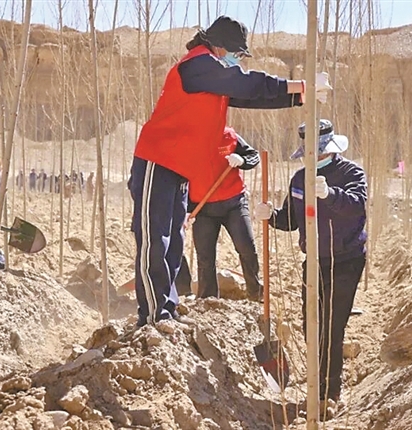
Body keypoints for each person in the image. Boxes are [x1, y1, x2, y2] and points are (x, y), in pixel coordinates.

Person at [128, 15, 331, 328]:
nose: (238, 60)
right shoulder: (197, 64)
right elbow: (247, 83)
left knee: (174, 244)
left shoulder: (215, 78)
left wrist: (301, 96)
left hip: (179, 170)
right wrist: (301, 85)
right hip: (158, 162)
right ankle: (154, 316)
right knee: (156, 241)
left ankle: (167, 309)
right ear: (219, 46)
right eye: (237, 53)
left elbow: (253, 95)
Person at [255, 119, 367, 417]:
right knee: (311, 326)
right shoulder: (299, 179)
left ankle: (329, 393)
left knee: (332, 326)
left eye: (318, 152)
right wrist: (271, 216)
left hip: (347, 260)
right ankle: (316, 385)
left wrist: (330, 194)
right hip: (315, 261)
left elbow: (357, 205)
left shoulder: (351, 173)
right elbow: (292, 220)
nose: (313, 157)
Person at [189, 127, 262, 301]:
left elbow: (254, 156)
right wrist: (186, 209)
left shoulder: (229, 135)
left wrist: (242, 160)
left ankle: (255, 293)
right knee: (205, 256)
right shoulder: (188, 140)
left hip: (234, 203)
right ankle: (208, 300)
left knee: (246, 247)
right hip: (203, 208)